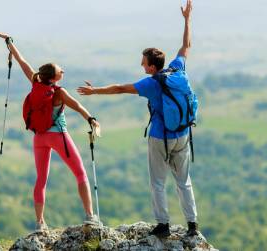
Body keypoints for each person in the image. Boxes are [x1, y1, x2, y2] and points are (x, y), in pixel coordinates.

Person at [77, 0, 199, 237]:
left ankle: (163, 225)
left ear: (152, 67)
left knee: (158, 183)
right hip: (183, 134)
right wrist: (187, 19)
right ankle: (193, 225)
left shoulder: (151, 83)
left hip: (159, 137)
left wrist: (94, 91)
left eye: (143, 62)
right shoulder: (177, 69)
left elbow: (120, 88)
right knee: (184, 181)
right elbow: (186, 46)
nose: (141, 65)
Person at [0, 32, 101, 231]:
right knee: (80, 173)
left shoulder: (35, 81)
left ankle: (40, 223)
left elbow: (21, 61)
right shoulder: (59, 92)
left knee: (41, 179)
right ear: (53, 77)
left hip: (39, 138)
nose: (63, 71)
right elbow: (76, 105)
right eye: (61, 71)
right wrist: (91, 119)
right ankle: (90, 216)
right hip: (59, 136)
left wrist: (9, 43)